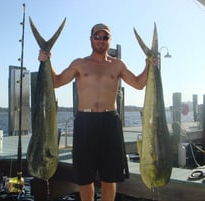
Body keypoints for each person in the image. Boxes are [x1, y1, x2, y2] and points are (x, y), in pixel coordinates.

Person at [38, 23, 152, 201]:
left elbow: (138, 84)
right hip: (85, 121)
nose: (101, 40)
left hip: (110, 121)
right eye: (97, 37)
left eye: (105, 37)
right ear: (91, 39)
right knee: (85, 177)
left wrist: (149, 65)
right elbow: (57, 81)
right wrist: (47, 60)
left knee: (110, 176)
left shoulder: (118, 65)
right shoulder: (80, 64)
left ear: (109, 40)